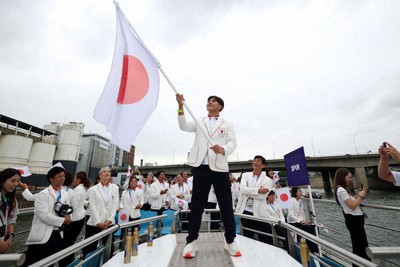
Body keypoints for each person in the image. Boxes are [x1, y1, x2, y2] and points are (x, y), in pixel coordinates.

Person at [176, 94, 241, 258]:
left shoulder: (227, 124)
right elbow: (183, 126)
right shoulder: (199, 121)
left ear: (220, 106)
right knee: (197, 205)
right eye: (208, 101)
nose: (209, 102)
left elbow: (233, 143)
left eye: (213, 101)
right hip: (201, 167)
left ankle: (230, 241)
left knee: (226, 205)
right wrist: (181, 106)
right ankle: (191, 242)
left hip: (219, 168)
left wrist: (224, 149)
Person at [25, 165, 72, 266]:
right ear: (51, 179)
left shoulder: (64, 193)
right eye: (59, 176)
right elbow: (43, 215)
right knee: (37, 262)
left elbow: (68, 209)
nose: (62, 178)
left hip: (58, 233)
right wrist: (62, 221)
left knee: (50, 262)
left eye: (63, 176)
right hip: (43, 235)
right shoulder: (43, 194)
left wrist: (68, 216)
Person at [333, 168, 370, 266]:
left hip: (355, 220)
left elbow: (352, 201)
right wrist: (361, 196)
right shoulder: (341, 190)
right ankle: (361, 264)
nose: (350, 179)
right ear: (342, 177)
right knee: (360, 246)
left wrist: (359, 194)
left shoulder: (343, 189)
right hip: (354, 221)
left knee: (360, 245)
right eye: (349, 177)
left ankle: (361, 264)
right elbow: (353, 206)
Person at [235, 155, 274, 244]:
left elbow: (263, 197)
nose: (255, 162)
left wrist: (249, 192)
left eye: (258, 161)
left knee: (264, 240)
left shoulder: (268, 180)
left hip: (260, 213)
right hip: (246, 211)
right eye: (254, 160)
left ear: (263, 165)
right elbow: (242, 189)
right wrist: (259, 190)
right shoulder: (245, 175)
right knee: (248, 238)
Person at [83, 167, 119, 258]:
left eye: (108, 171)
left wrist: (111, 219)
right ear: (100, 175)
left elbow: (115, 204)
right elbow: (92, 206)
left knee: (109, 247)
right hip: (95, 223)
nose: (107, 173)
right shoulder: (93, 189)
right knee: (90, 248)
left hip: (109, 223)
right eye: (104, 172)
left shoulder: (115, 188)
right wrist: (98, 222)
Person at [287, 186, 318, 253]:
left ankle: (315, 247)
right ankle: (312, 249)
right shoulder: (291, 201)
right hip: (293, 222)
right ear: (295, 192)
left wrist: (305, 221)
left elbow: (302, 213)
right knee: (308, 229)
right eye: (299, 191)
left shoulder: (300, 201)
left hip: (300, 221)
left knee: (314, 227)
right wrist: (301, 221)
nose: (300, 192)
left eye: (300, 191)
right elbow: (291, 215)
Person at [0, 168, 21, 254]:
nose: (15, 184)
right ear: (2, 181)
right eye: (13, 181)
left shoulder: (12, 200)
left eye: (18, 181)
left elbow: (11, 219)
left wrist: (10, 238)